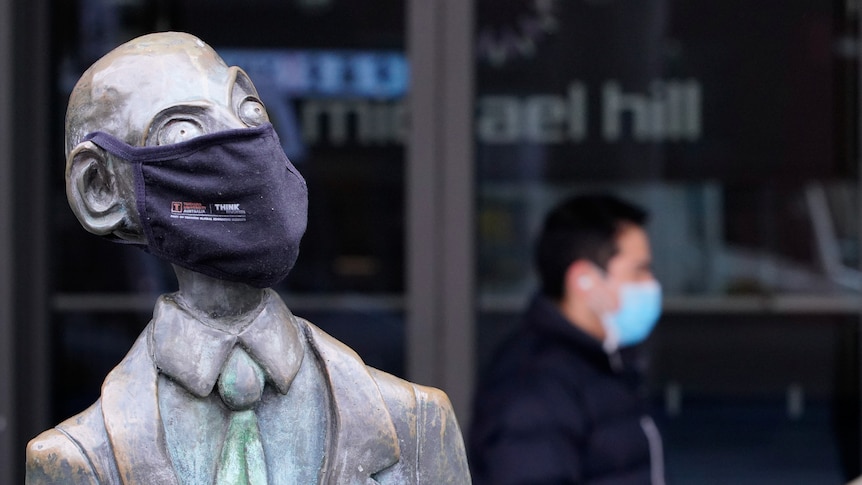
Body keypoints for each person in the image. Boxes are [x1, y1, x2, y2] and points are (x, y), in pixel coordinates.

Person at [25, 32, 470, 484]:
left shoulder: (419, 427)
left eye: (249, 111)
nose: (240, 135)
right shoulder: (74, 460)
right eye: (182, 130)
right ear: (99, 189)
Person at [469, 193, 665, 485]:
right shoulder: (534, 385)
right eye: (638, 271)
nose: (651, 285)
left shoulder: (601, 363)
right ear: (583, 280)